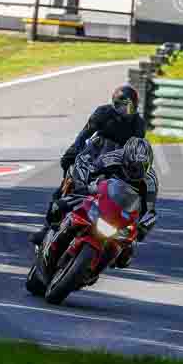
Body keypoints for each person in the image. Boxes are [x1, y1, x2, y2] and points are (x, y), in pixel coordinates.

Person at [30, 84, 145, 245]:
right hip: (94, 155)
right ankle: (46, 228)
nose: (127, 110)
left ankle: (120, 240)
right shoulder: (103, 113)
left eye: (131, 107)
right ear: (116, 104)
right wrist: (72, 153)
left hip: (117, 165)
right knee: (68, 181)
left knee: (124, 195)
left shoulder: (138, 124)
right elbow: (85, 134)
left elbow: (137, 150)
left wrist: (138, 169)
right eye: (124, 106)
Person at [42, 137, 158, 269]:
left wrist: (143, 226)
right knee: (59, 206)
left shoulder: (150, 181)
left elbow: (150, 210)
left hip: (122, 213)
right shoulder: (112, 158)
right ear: (125, 158)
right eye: (133, 166)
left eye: (142, 167)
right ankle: (54, 231)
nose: (136, 171)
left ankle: (99, 265)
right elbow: (91, 171)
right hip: (100, 197)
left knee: (126, 256)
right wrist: (82, 185)